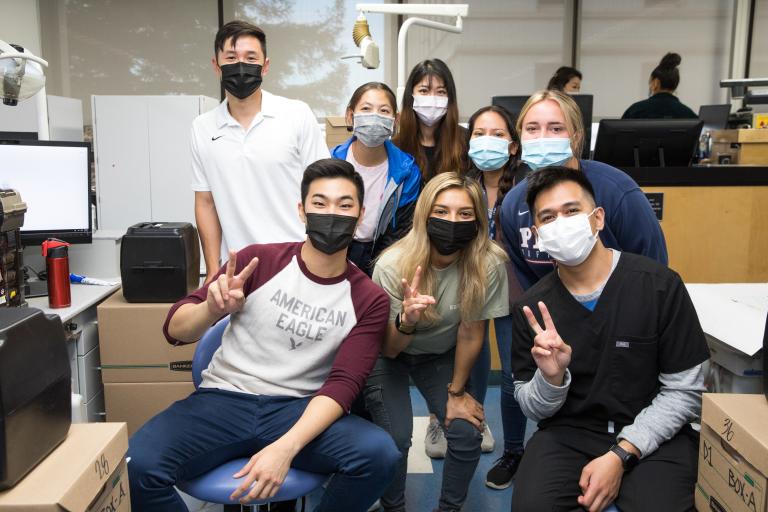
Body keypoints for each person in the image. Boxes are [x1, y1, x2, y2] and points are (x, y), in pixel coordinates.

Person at [127, 159, 400, 512]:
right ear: (302, 211)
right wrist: (212, 309)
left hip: (299, 408)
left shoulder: (369, 298)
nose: (331, 213)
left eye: (344, 205)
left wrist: (285, 447)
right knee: (136, 468)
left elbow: (343, 385)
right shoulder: (259, 261)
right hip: (223, 400)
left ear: (361, 215)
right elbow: (174, 329)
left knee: (379, 456)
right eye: (320, 203)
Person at [510, 166, 709, 512]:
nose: (562, 223)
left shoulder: (659, 286)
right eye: (548, 218)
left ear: (597, 218)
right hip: (568, 433)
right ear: (539, 235)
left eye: (572, 211)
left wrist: (621, 454)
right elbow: (530, 405)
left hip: (655, 432)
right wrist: (551, 378)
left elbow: (685, 392)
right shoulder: (533, 308)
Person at [366, 172, 509, 512]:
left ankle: (448, 508)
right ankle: (394, 507)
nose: (452, 222)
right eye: (441, 211)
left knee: (466, 432)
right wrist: (407, 320)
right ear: (424, 213)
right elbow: (389, 348)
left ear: (477, 219)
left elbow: (472, 332)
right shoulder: (392, 265)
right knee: (396, 440)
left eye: (464, 213)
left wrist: (456, 394)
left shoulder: (488, 263)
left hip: (437, 356)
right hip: (389, 356)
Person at [192, 20, 330, 282]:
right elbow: (205, 202)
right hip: (238, 271)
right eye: (231, 57)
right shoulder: (202, 127)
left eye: (250, 57)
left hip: (298, 263)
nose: (241, 65)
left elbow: (324, 191)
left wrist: (324, 258)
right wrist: (212, 269)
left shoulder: (296, 114)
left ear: (265, 65)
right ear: (216, 66)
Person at [500, 89, 668, 292]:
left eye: (556, 129)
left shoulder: (616, 191)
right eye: (532, 129)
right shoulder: (513, 204)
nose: (542, 138)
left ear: (576, 137)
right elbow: (528, 285)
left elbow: (654, 270)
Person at [464, 105, 530, 489]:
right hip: (469, 286)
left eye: (497, 133)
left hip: (514, 291)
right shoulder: (462, 184)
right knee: (471, 363)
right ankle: (472, 429)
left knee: (511, 373)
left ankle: (515, 451)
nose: (487, 140)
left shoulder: (529, 184)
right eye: (479, 132)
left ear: (513, 145)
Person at [330, 82, 421, 275]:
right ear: (350, 115)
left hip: (384, 257)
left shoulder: (408, 172)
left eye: (384, 110)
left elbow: (400, 233)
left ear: (395, 120)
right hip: (333, 252)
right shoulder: (330, 163)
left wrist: (379, 270)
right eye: (366, 109)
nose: (374, 116)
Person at [392, 59, 466, 183]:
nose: (432, 98)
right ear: (411, 96)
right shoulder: (395, 147)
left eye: (441, 92)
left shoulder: (465, 142)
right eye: (424, 91)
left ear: (450, 98)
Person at [622, 52, 697, 119]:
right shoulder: (688, 114)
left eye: (650, 81)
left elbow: (618, 133)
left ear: (656, 83)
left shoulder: (635, 110)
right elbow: (706, 134)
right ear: (675, 86)